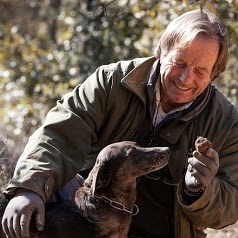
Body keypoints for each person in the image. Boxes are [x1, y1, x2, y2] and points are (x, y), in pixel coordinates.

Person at [2, 9, 238, 238]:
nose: (186, 78)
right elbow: (58, 136)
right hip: (85, 221)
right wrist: (29, 189)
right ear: (161, 52)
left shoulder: (225, 122)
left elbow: (230, 206)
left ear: (213, 75)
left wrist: (200, 190)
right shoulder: (110, 81)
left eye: (200, 71)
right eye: (180, 62)